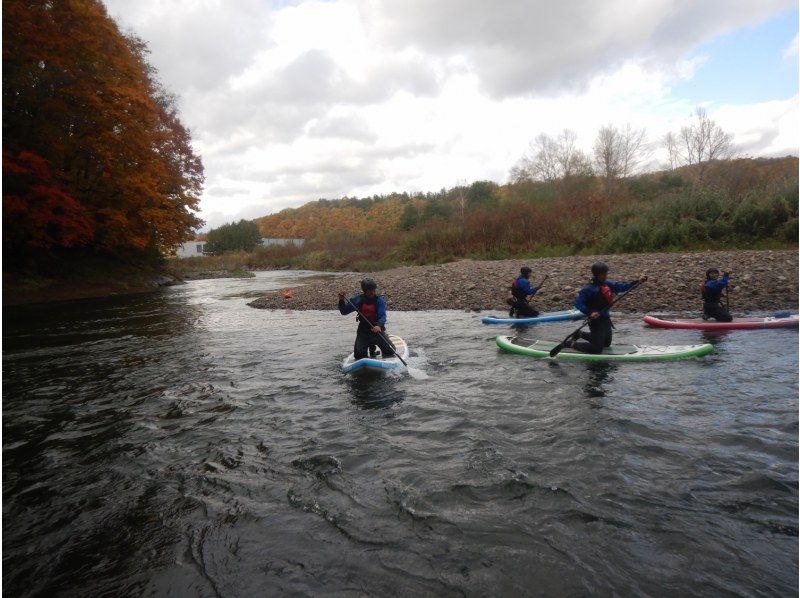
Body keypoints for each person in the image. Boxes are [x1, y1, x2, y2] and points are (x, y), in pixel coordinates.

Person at [567, 262, 647, 354]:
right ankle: (572, 344)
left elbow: (621, 286)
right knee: (596, 349)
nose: (606, 275)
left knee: (606, 344)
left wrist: (638, 282)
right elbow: (578, 303)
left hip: (606, 318)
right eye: (603, 274)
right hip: (595, 320)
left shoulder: (607, 284)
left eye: (606, 273)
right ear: (597, 275)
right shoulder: (588, 289)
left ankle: (580, 334)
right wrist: (590, 313)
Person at [338, 277, 396, 360]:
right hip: (363, 331)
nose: (372, 292)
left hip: (377, 330)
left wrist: (379, 326)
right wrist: (341, 300)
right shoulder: (358, 300)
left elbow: (382, 316)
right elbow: (344, 311)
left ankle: (373, 348)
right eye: (370, 290)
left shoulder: (379, 300)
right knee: (359, 356)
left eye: (373, 289)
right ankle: (370, 348)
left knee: (390, 351)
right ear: (365, 291)